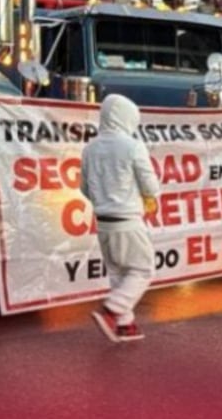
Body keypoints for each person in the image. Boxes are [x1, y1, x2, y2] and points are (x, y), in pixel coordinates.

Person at [80, 94, 160, 343]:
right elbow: (150, 185)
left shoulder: (90, 148)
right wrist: (149, 197)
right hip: (127, 219)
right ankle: (112, 311)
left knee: (118, 273)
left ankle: (126, 326)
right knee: (143, 269)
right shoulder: (132, 146)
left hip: (103, 222)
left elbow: (84, 189)